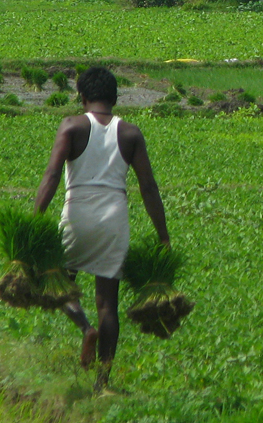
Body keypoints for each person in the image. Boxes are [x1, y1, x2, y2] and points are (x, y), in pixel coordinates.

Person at [33, 66, 169, 395]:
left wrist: (34, 219)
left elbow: (52, 176)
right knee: (108, 302)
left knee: (56, 282)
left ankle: (85, 327)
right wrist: (163, 235)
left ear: (82, 97)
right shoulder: (131, 133)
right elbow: (148, 188)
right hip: (114, 218)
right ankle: (103, 382)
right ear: (115, 98)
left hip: (78, 212)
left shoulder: (72, 126)